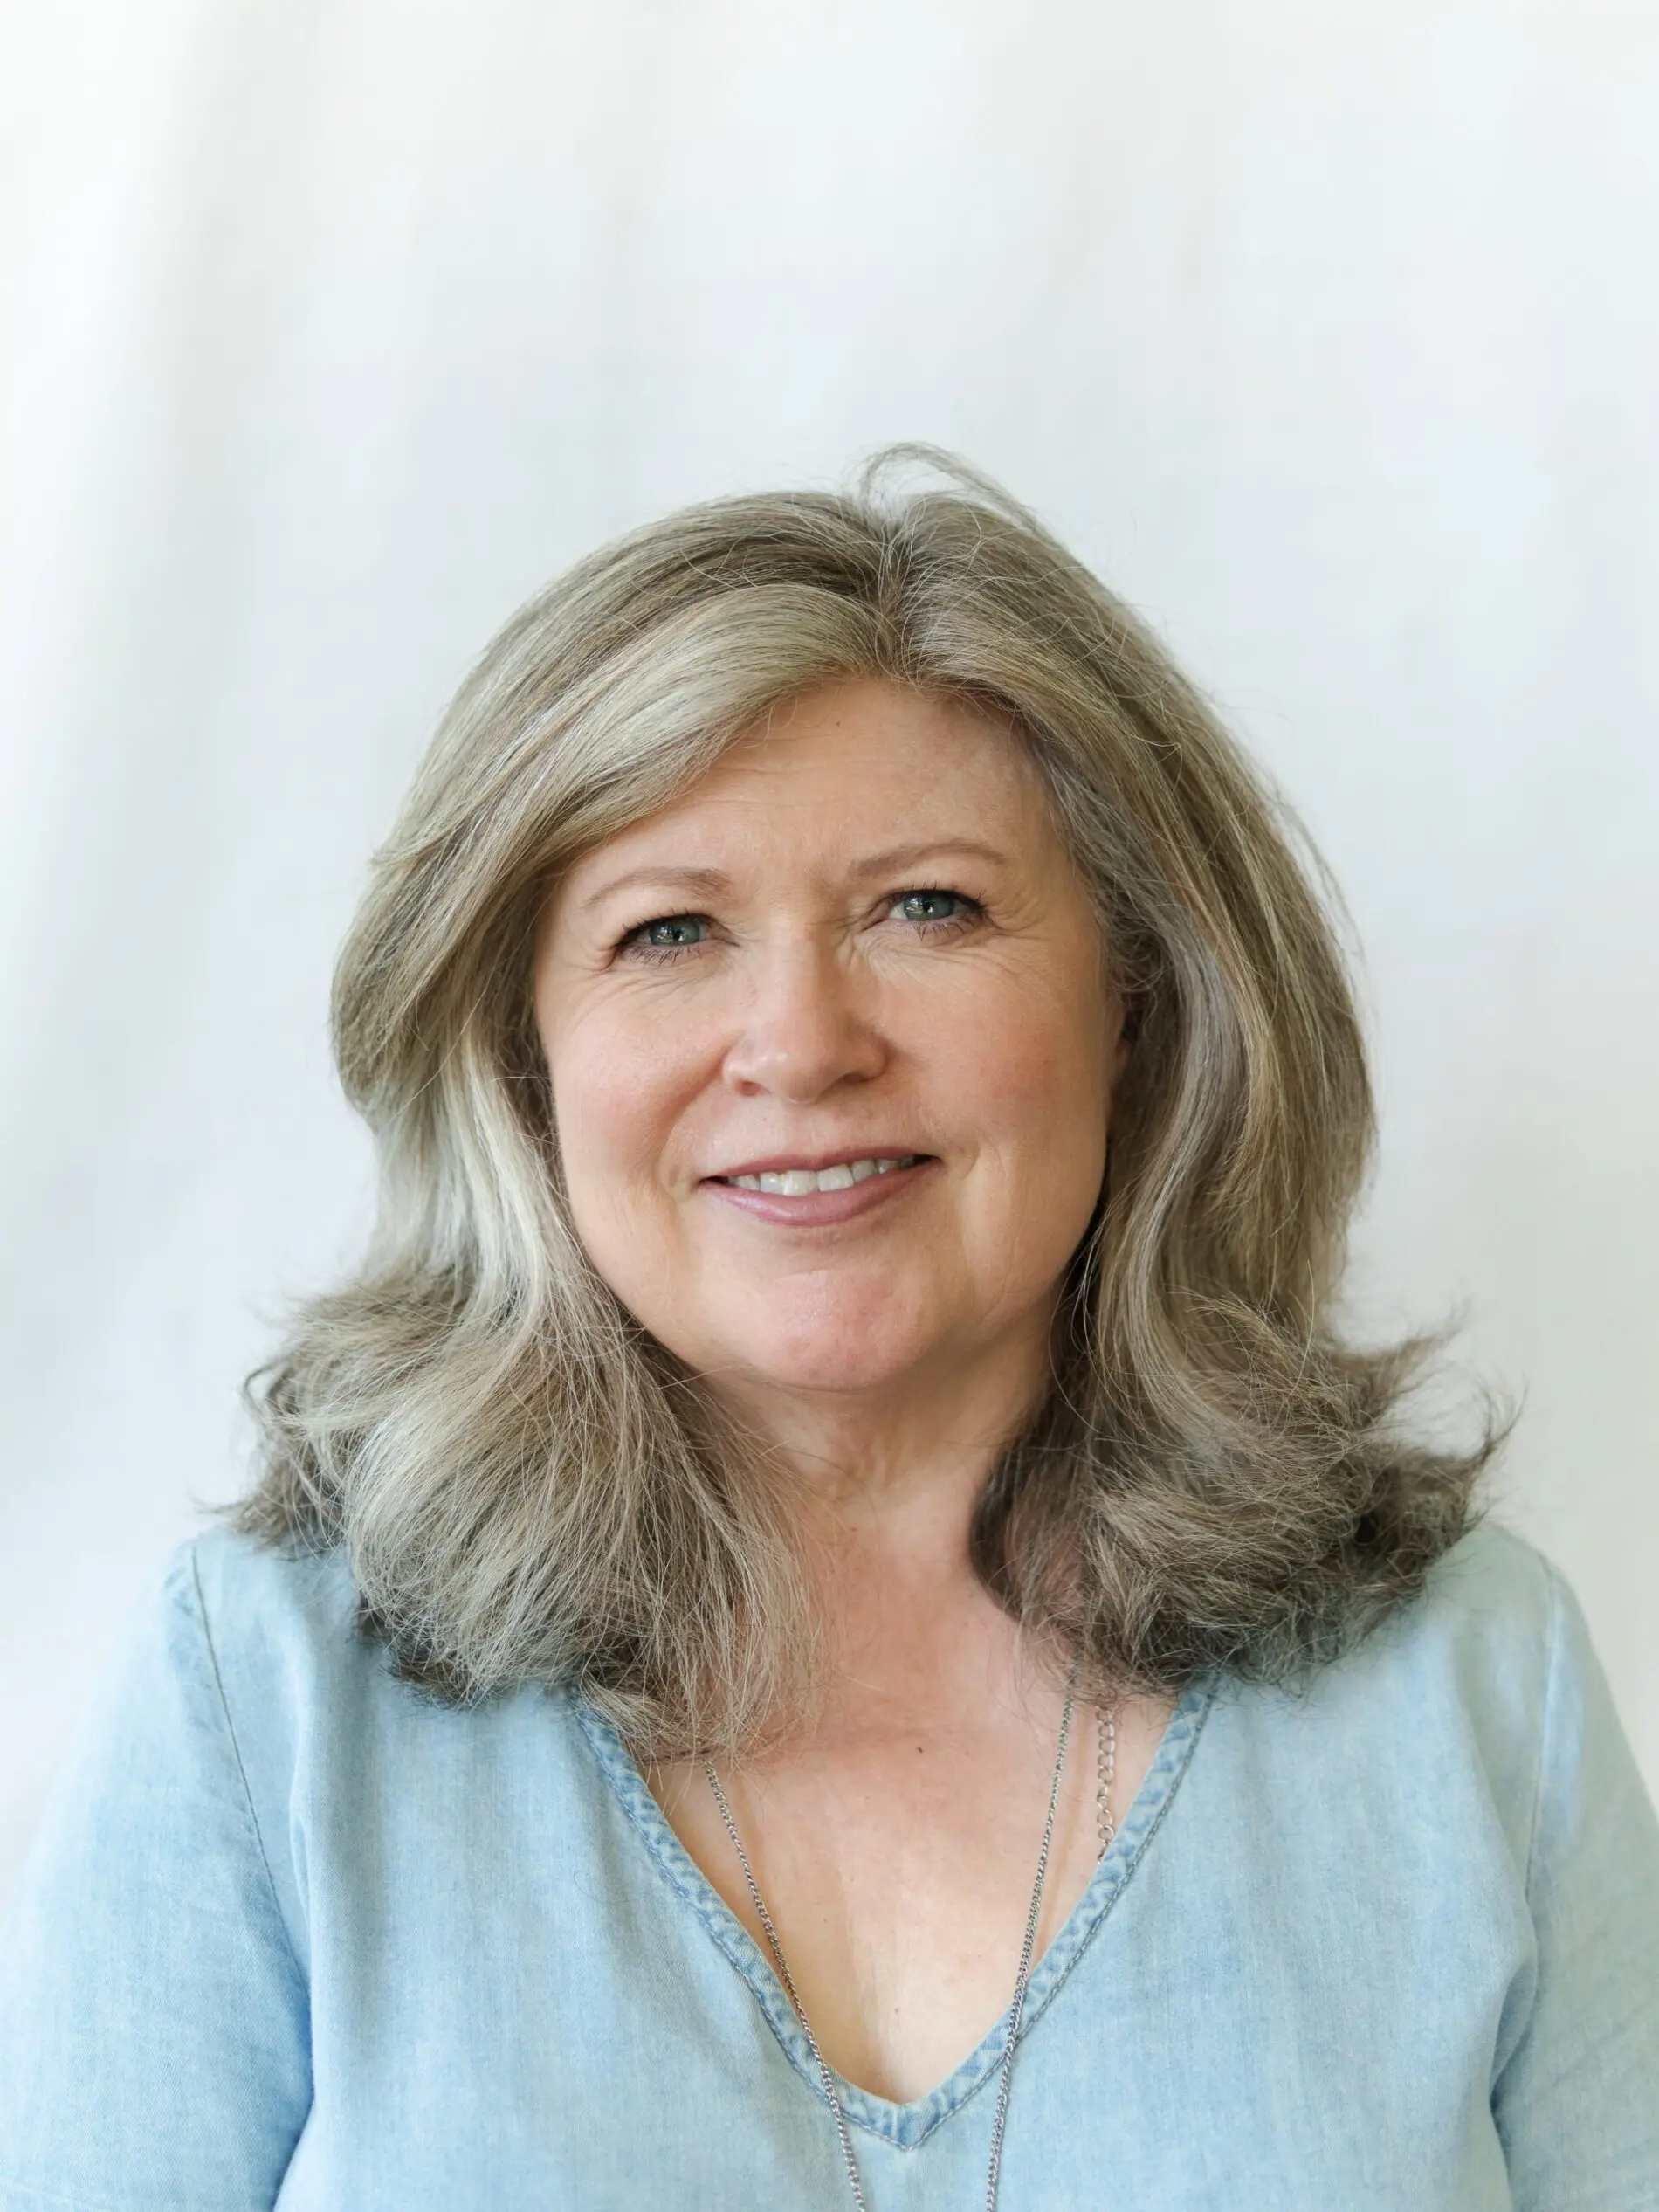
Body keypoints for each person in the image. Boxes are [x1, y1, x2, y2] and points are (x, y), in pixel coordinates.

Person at [2, 452, 1655, 2210]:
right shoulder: (264, 1707)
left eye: (922, 908)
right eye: (669, 932)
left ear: (1137, 1002)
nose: (797, 1042)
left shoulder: (1471, 1691)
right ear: (521, 1059)